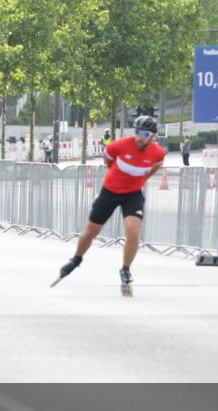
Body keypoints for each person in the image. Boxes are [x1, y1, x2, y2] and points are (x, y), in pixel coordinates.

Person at [52, 115, 165, 297]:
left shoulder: (158, 153)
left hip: (133, 194)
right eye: (137, 132)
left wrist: (137, 182)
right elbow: (109, 163)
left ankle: (125, 269)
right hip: (110, 191)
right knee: (91, 230)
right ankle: (76, 259)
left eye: (145, 134)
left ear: (153, 136)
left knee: (133, 230)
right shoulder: (118, 146)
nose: (139, 137)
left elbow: (152, 170)